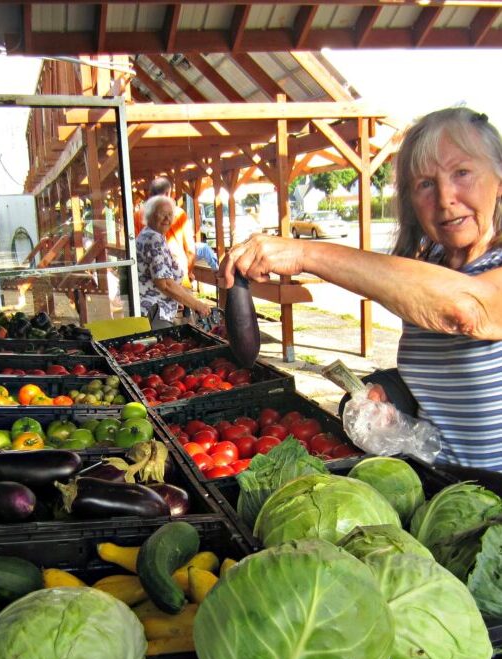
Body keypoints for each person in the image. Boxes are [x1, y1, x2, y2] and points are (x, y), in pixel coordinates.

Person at [220, 107, 502, 471]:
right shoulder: (428, 268)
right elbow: (450, 376)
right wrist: (390, 392)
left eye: (462, 172)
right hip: (439, 488)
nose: (446, 196)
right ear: (411, 202)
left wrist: (303, 253)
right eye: (426, 184)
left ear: (498, 179)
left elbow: (470, 311)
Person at [137, 195, 212, 329]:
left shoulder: (150, 234)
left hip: (153, 310)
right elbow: (165, 284)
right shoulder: (154, 240)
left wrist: (180, 297)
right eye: (162, 214)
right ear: (150, 216)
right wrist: (197, 304)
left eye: (170, 214)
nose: (167, 219)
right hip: (154, 312)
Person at [135, 176, 196, 289]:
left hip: (149, 280)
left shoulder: (138, 215)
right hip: (178, 275)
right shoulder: (179, 213)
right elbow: (190, 250)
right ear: (168, 194)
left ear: (150, 194)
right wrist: (189, 271)